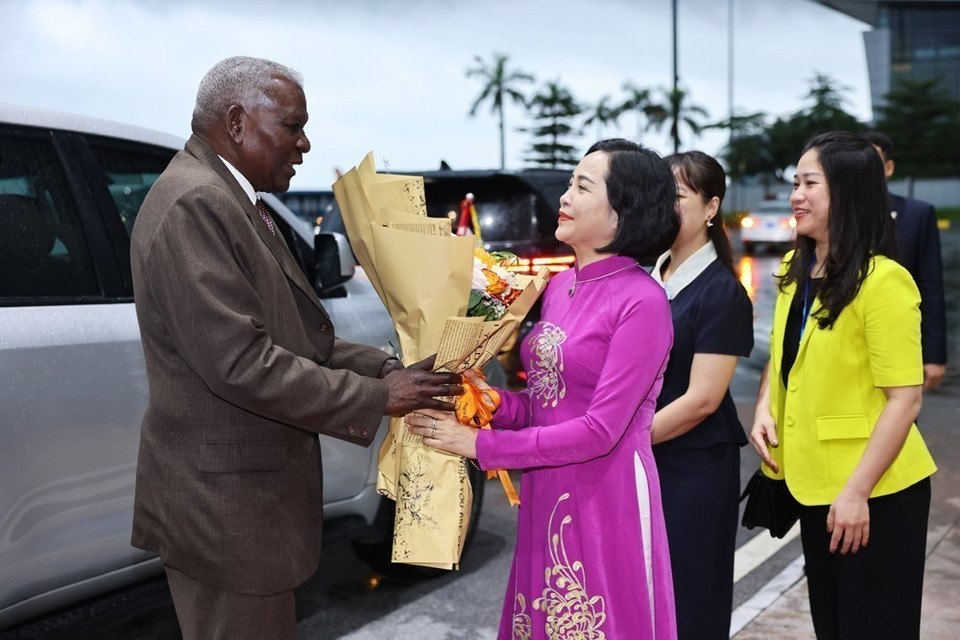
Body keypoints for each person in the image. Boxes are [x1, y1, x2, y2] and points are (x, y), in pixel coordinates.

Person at [129, 56, 461, 640]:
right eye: (291, 125)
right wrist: (378, 396)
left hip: (243, 505)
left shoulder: (233, 198)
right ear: (236, 121)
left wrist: (389, 369)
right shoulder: (196, 203)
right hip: (225, 510)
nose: (304, 143)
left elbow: (298, 338)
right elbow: (242, 363)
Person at [407, 138, 681, 639]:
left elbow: (600, 430)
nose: (565, 197)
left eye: (582, 186)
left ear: (622, 214)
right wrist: (496, 405)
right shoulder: (560, 286)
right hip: (548, 483)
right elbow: (550, 401)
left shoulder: (643, 302)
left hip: (606, 492)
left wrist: (481, 445)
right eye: (570, 184)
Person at [749, 131, 937, 640]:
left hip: (873, 489)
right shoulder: (797, 267)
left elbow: (906, 398)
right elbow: (784, 354)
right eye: (795, 182)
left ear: (849, 193)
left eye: (810, 183)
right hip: (814, 483)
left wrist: (857, 491)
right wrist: (765, 405)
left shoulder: (885, 281)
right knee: (833, 624)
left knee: (873, 625)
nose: (796, 195)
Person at [650, 151, 753, 639]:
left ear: (711, 208)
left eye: (678, 194)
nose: (665, 204)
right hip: (641, 459)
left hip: (692, 467)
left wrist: (616, 439)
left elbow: (703, 401)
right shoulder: (647, 276)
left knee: (690, 596)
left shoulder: (722, 292)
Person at [859, 130, 947, 391]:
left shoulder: (917, 214)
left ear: (888, 167)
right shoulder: (831, 212)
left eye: (873, 162)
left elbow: (931, 286)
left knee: (901, 423)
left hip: (899, 345)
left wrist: (934, 355)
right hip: (845, 346)